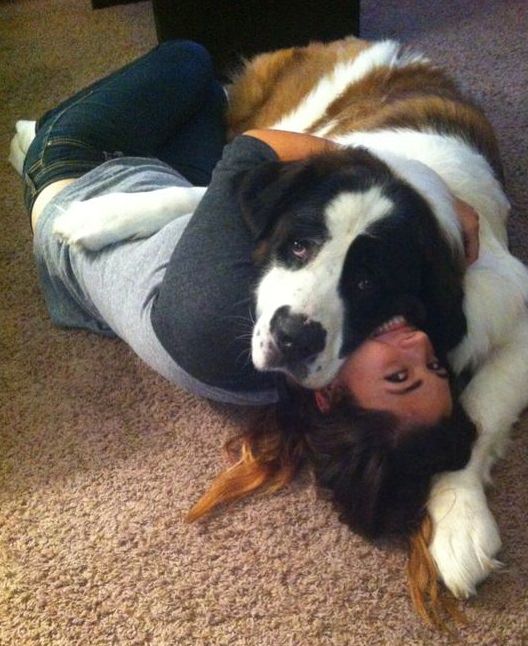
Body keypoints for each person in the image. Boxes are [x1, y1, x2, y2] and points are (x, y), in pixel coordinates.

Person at [15, 41, 480, 621]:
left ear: (332, 393)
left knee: (188, 59)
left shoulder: (222, 328)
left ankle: (29, 146)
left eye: (400, 374)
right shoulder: (303, 359)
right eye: (436, 366)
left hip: (82, 177)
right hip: (177, 190)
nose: (420, 343)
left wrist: (434, 195)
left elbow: (258, 155)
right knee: (209, 105)